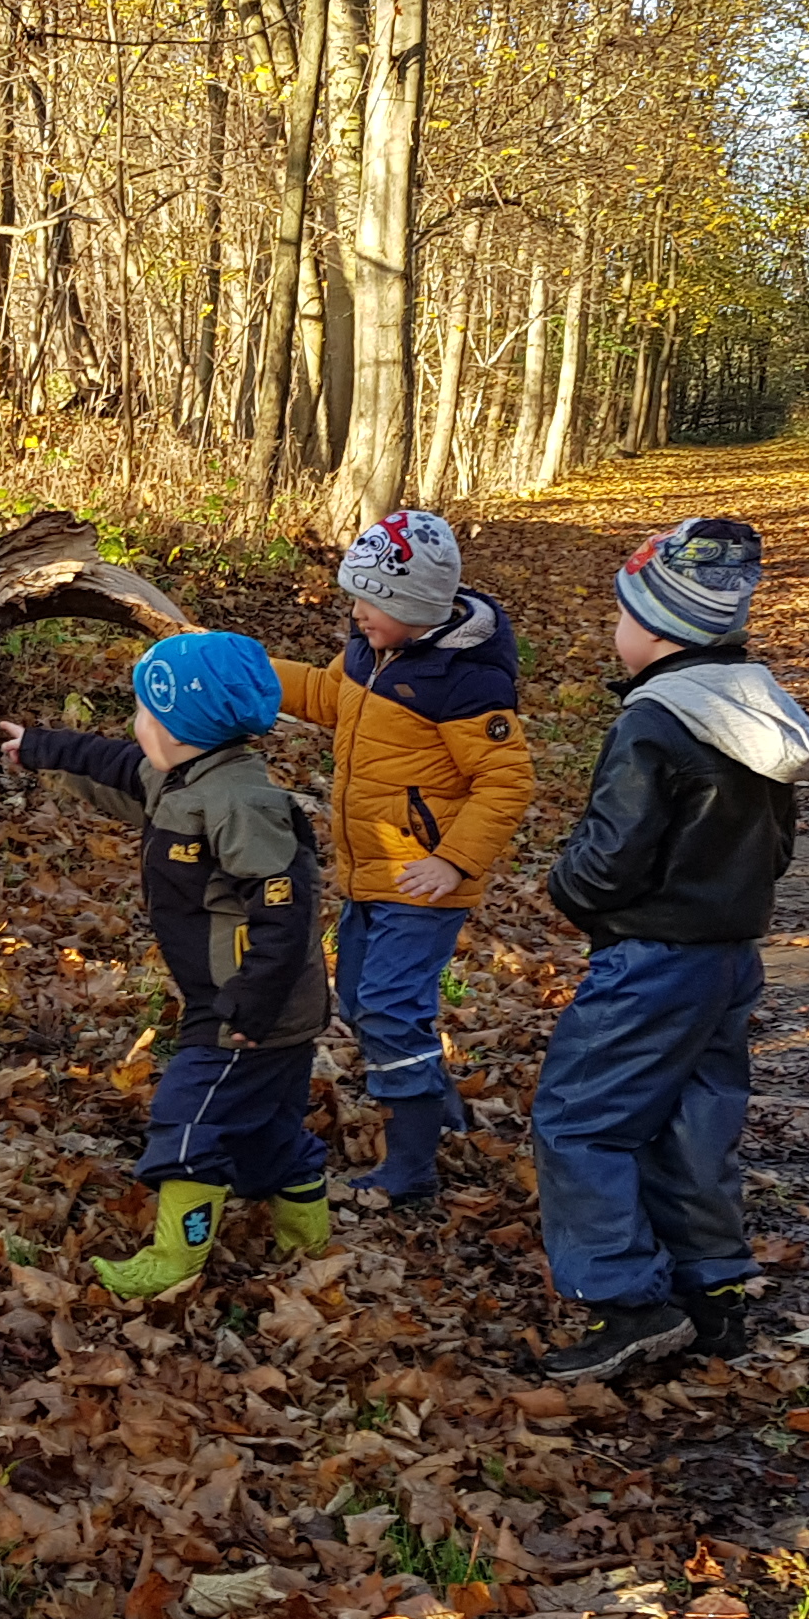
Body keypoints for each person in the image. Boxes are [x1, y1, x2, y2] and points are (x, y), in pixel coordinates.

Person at [529, 516, 809, 1385]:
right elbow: (775, 848)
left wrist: (566, 887)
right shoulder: (756, 708)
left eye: (620, 613)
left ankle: (628, 1301)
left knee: (581, 1118)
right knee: (697, 1121)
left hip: (650, 961)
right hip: (730, 957)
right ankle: (713, 1290)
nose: (613, 630)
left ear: (656, 628)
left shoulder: (654, 724)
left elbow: (613, 852)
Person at [1, 631, 334, 1301]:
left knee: (189, 1121)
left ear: (185, 727)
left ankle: (175, 1260)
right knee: (266, 1129)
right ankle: (307, 1232)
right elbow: (121, 767)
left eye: (146, 713)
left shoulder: (242, 804)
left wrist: (249, 1003)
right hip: (245, 1000)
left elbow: (284, 911)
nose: (136, 724)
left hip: (248, 1007)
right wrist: (38, 747)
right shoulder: (186, 775)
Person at [275, 508, 532, 1206]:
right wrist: (252, 674)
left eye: (372, 603)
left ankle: (412, 1161)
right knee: (359, 997)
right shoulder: (369, 654)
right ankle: (440, 1112)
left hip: (422, 881)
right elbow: (329, 696)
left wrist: (453, 861)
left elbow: (506, 780)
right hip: (370, 869)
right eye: (356, 598)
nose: (357, 614)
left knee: (389, 1008)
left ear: (416, 608)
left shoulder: (465, 682)